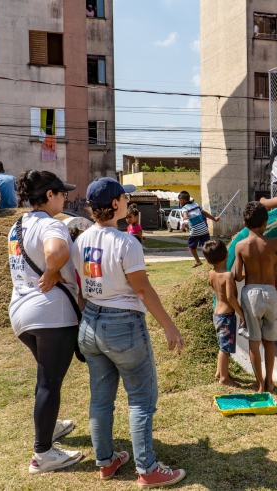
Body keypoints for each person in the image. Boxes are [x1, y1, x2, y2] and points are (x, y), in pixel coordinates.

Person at [72, 177, 187, 487]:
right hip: (122, 326)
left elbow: (82, 288)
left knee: (100, 399)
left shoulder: (81, 240)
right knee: (140, 400)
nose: (127, 201)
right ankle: (147, 469)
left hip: (90, 324)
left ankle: (106, 462)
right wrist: (170, 327)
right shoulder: (127, 243)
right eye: (124, 197)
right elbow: (142, 289)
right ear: (114, 205)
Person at [7, 170, 82, 474]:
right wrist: (52, 271)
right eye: (62, 193)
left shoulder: (18, 225)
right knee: (48, 383)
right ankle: (43, 454)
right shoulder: (52, 224)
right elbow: (57, 251)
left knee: (48, 378)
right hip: (51, 314)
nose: (66, 197)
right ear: (49, 195)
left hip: (21, 313)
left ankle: (51, 427)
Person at [233, 201, 277, 392]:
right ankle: (270, 382)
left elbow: (238, 275)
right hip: (270, 292)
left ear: (245, 223)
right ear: (265, 223)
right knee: (270, 341)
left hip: (251, 294)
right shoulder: (273, 243)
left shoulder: (240, 246)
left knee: (254, 341)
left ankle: (259, 384)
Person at [202, 239, 246, 388]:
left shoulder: (211, 273)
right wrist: (241, 313)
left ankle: (219, 372)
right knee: (225, 348)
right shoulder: (227, 275)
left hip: (217, 315)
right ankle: (224, 378)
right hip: (226, 316)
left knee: (222, 344)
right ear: (227, 255)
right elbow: (230, 297)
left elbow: (211, 284)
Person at [179, 190, 219, 268]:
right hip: (204, 229)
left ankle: (198, 261)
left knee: (191, 247)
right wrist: (214, 219)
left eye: (179, 201)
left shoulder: (184, 208)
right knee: (207, 246)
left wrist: (185, 220)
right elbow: (204, 212)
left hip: (195, 231)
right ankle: (210, 260)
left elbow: (185, 214)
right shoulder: (196, 204)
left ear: (182, 200)